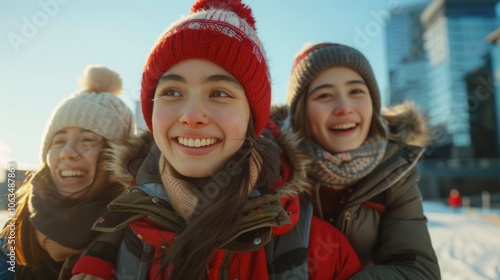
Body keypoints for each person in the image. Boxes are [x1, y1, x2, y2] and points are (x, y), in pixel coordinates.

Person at [70, 2, 362, 279]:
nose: (192, 115)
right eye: (172, 92)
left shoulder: (322, 252)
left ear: (252, 119)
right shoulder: (119, 234)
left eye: (219, 93)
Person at [283, 42, 441, 279]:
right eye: (324, 95)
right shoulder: (271, 167)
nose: (344, 108)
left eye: (356, 91)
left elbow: (418, 269)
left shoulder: (395, 169)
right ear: (300, 114)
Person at [0, 65, 142, 280]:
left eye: (87, 140)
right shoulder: (13, 237)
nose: (67, 153)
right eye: (58, 141)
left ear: (118, 160)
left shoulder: (140, 242)